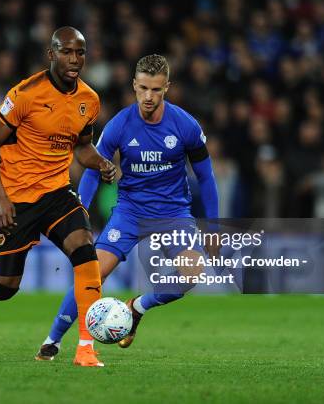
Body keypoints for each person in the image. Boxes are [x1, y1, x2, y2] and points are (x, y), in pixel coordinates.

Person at [0, 27, 116, 367]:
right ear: (51, 54)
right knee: (3, 288)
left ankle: (86, 349)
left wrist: (101, 163)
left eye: (80, 53)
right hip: (16, 199)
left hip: (58, 192)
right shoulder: (26, 93)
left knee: (86, 253)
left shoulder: (89, 100)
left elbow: (83, 148)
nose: (75, 59)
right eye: (67, 52)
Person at [36, 54, 219, 360]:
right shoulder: (119, 125)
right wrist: (80, 208)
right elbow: (93, 169)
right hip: (130, 211)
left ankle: (138, 307)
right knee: (91, 273)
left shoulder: (185, 125)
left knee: (191, 274)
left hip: (173, 213)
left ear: (167, 88)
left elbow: (206, 176)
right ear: (134, 85)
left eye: (156, 90)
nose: (149, 96)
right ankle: (52, 339)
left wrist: (213, 225)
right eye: (144, 88)